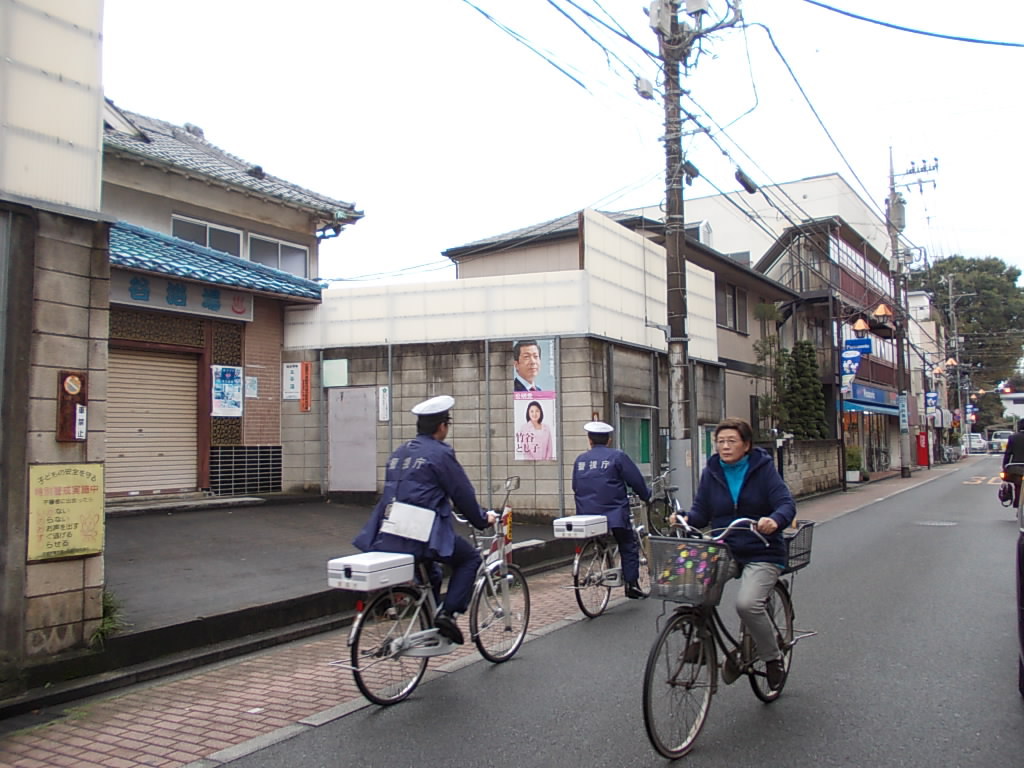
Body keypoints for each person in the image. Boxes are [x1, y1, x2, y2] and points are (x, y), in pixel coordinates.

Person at [352, 395, 496, 645]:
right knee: (469, 559)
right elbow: (461, 493)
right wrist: (483, 519)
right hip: (420, 534)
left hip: (387, 532)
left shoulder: (399, 453)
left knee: (433, 574)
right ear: (442, 426)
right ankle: (448, 616)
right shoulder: (440, 454)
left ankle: (430, 624)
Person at [678, 417, 796, 690]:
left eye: (731, 441)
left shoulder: (763, 469)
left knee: (747, 605)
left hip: (762, 549)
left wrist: (775, 520)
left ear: (746, 445)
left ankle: (772, 657)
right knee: (695, 584)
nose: (725, 446)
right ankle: (702, 638)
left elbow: (785, 503)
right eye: (720, 441)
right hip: (726, 547)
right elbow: (701, 513)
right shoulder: (712, 472)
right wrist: (683, 518)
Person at [572, 421, 651, 599]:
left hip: (587, 514)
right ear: (609, 440)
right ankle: (631, 585)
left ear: (589, 440)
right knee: (627, 544)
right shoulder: (617, 457)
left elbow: (575, 486)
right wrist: (646, 495)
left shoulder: (580, 460)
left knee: (600, 540)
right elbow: (635, 480)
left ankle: (600, 559)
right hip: (614, 513)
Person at [1002, 418, 1024, 507]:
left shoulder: (1013, 437)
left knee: (1017, 486)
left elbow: (1008, 454)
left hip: (1015, 467)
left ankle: (1018, 504)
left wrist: (1004, 466)